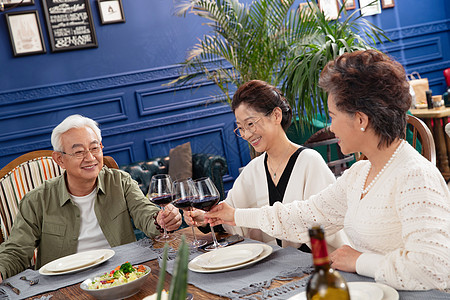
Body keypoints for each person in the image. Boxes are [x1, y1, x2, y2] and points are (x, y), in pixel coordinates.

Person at [205, 50, 450, 291]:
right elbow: (304, 215)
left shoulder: (415, 176)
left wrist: (358, 261)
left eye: (332, 116)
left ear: (361, 119)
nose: (331, 128)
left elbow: (434, 270)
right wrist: (235, 215)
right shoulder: (359, 173)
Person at [0, 115, 182, 281]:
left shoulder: (120, 181)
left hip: (123, 275)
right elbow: (16, 251)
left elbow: (145, 212)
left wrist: (161, 220)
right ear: (60, 159)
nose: (90, 158)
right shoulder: (37, 199)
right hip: (64, 285)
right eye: (79, 152)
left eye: (95, 148)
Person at [186, 80, 337, 249]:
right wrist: (205, 218)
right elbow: (231, 217)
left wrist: (234, 215)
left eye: (250, 124)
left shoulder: (310, 162)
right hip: (272, 267)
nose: (246, 134)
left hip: (314, 264)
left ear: (276, 116)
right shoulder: (253, 169)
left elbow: (323, 225)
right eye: (240, 128)